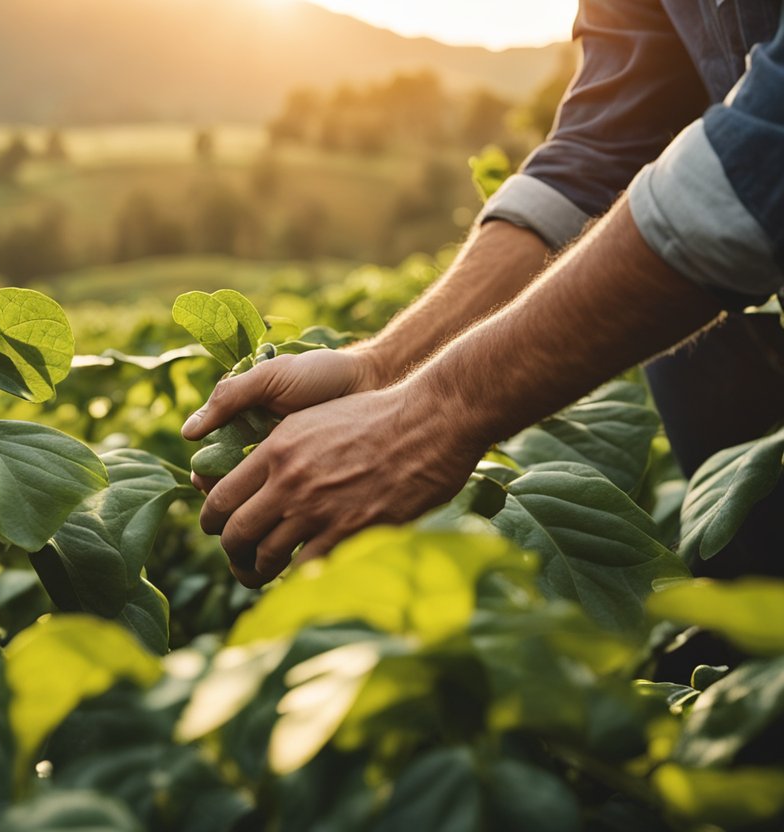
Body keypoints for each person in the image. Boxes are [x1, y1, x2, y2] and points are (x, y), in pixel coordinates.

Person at [183, 0, 784, 589]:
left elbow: (765, 151)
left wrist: (430, 414)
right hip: (712, 353)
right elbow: (604, 149)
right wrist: (383, 366)